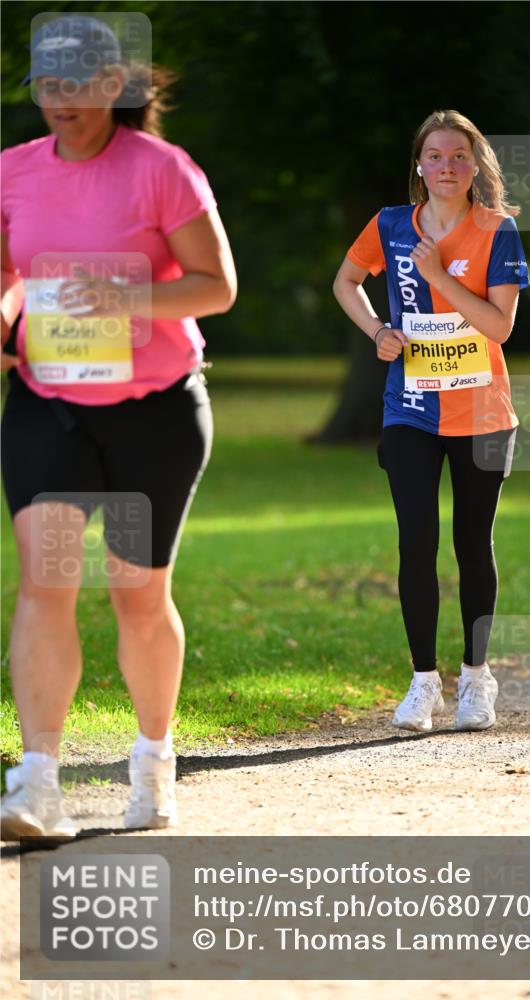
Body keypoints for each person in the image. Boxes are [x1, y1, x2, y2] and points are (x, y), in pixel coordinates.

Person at [0, 14, 237, 839]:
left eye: (77, 85)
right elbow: (5, 274)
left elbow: (216, 286)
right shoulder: (13, 171)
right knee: (46, 581)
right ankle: (37, 783)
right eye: (47, 85)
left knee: (137, 595)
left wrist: (128, 297)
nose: (60, 100)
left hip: (154, 411)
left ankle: (152, 759)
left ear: (113, 86)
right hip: (50, 405)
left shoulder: (162, 170)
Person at [333, 109, 530, 734]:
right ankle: (423, 682)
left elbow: (499, 326)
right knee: (415, 541)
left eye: (459, 156)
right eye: (436, 155)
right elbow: (346, 281)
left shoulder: (497, 230)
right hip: (410, 408)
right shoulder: (390, 224)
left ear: (476, 166)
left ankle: (476, 677)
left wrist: (438, 275)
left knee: (473, 544)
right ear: (419, 165)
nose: (448, 166)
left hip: (482, 410)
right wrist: (378, 331)